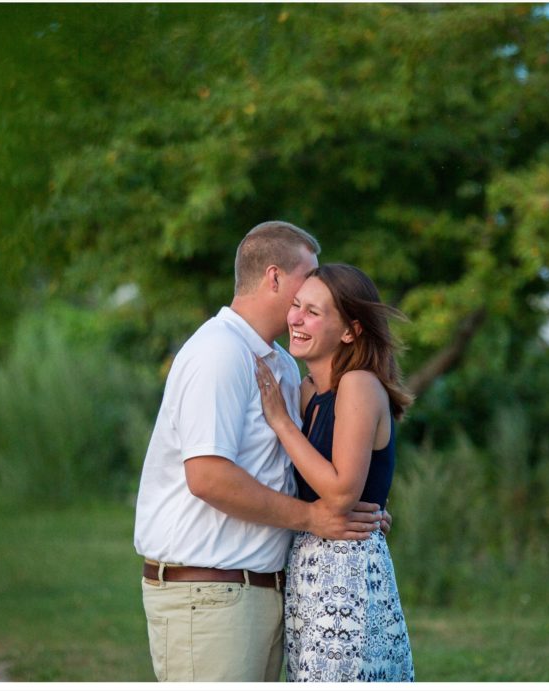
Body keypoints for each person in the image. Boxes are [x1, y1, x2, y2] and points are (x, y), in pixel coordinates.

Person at [133, 222, 388, 683]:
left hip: (266, 595)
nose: (314, 285)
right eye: (305, 279)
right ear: (273, 277)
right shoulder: (219, 353)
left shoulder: (282, 367)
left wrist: (354, 514)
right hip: (209, 596)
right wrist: (314, 519)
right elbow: (207, 477)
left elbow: (294, 472)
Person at [254, 263, 416, 682]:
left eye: (314, 312)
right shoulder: (310, 391)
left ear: (350, 331)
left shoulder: (359, 384)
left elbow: (343, 493)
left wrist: (282, 423)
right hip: (309, 573)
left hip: (347, 577)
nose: (296, 319)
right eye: (295, 306)